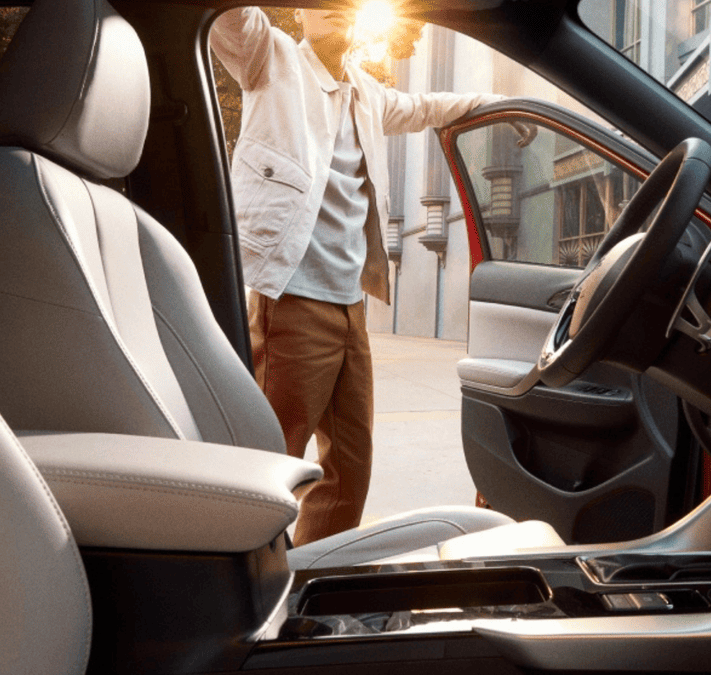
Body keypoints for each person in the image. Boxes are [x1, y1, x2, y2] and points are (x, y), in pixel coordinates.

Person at [211, 6, 533, 545]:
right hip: (292, 300)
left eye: (346, 8)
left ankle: (310, 576)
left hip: (350, 306)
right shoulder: (270, 59)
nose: (337, 16)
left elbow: (428, 106)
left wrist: (496, 104)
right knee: (270, 464)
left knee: (350, 468)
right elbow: (231, 18)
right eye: (324, 8)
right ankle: (244, 584)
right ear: (299, 14)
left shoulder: (366, 92)